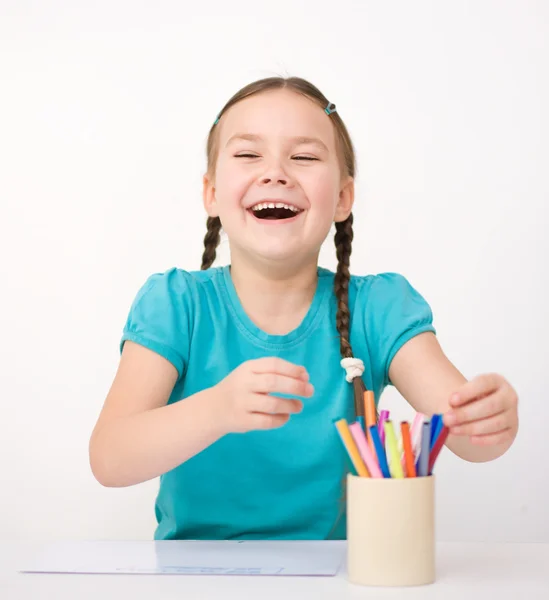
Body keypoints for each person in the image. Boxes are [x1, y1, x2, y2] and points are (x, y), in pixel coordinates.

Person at [89, 76, 519, 541]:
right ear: (211, 192)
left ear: (342, 198)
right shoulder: (175, 304)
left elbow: (467, 438)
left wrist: (488, 421)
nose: (275, 172)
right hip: (194, 578)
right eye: (249, 154)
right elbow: (110, 460)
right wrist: (218, 408)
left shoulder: (379, 308)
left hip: (339, 579)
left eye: (305, 157)